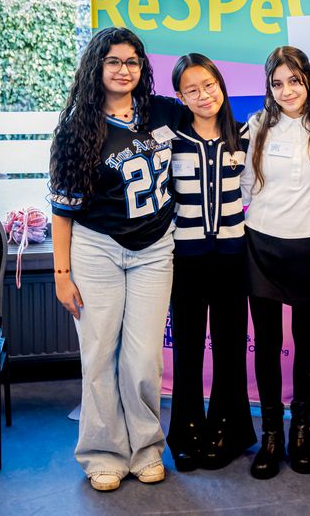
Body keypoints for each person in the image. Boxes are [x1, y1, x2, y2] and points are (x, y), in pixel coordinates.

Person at [49, 27, 186, 492]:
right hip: (96, 248)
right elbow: (62, 211)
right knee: (99, 354)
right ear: (97, 67)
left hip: (154, 248)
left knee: (144, 358)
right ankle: (102, 452)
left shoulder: (162, 111)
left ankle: (146, 448)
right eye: (114, 62)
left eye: (132, 61)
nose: (124, 70)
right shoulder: (76, 127)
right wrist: (62, 274)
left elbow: (210, 118)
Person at [240, 46, 310, 479]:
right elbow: (243, 187)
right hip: (261, 246)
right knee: (265, 345)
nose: (286, 90)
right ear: (269, 87)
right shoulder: (258, 126)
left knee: (306, 346)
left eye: (295, 81)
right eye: (277, 83)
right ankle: (271, 437)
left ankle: (301, 432)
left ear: (308, 82)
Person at [166, 53, 256, 473]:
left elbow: (254, 193)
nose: (204, 96)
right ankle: (184, 432)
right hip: (185, 260)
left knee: (230, 347)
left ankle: (228, 430)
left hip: (233, 259)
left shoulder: (244, 136)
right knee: (186, 349)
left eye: (210, 86)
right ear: (179, 97)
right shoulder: (169, 140)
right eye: (192, 90)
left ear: (222, 85)